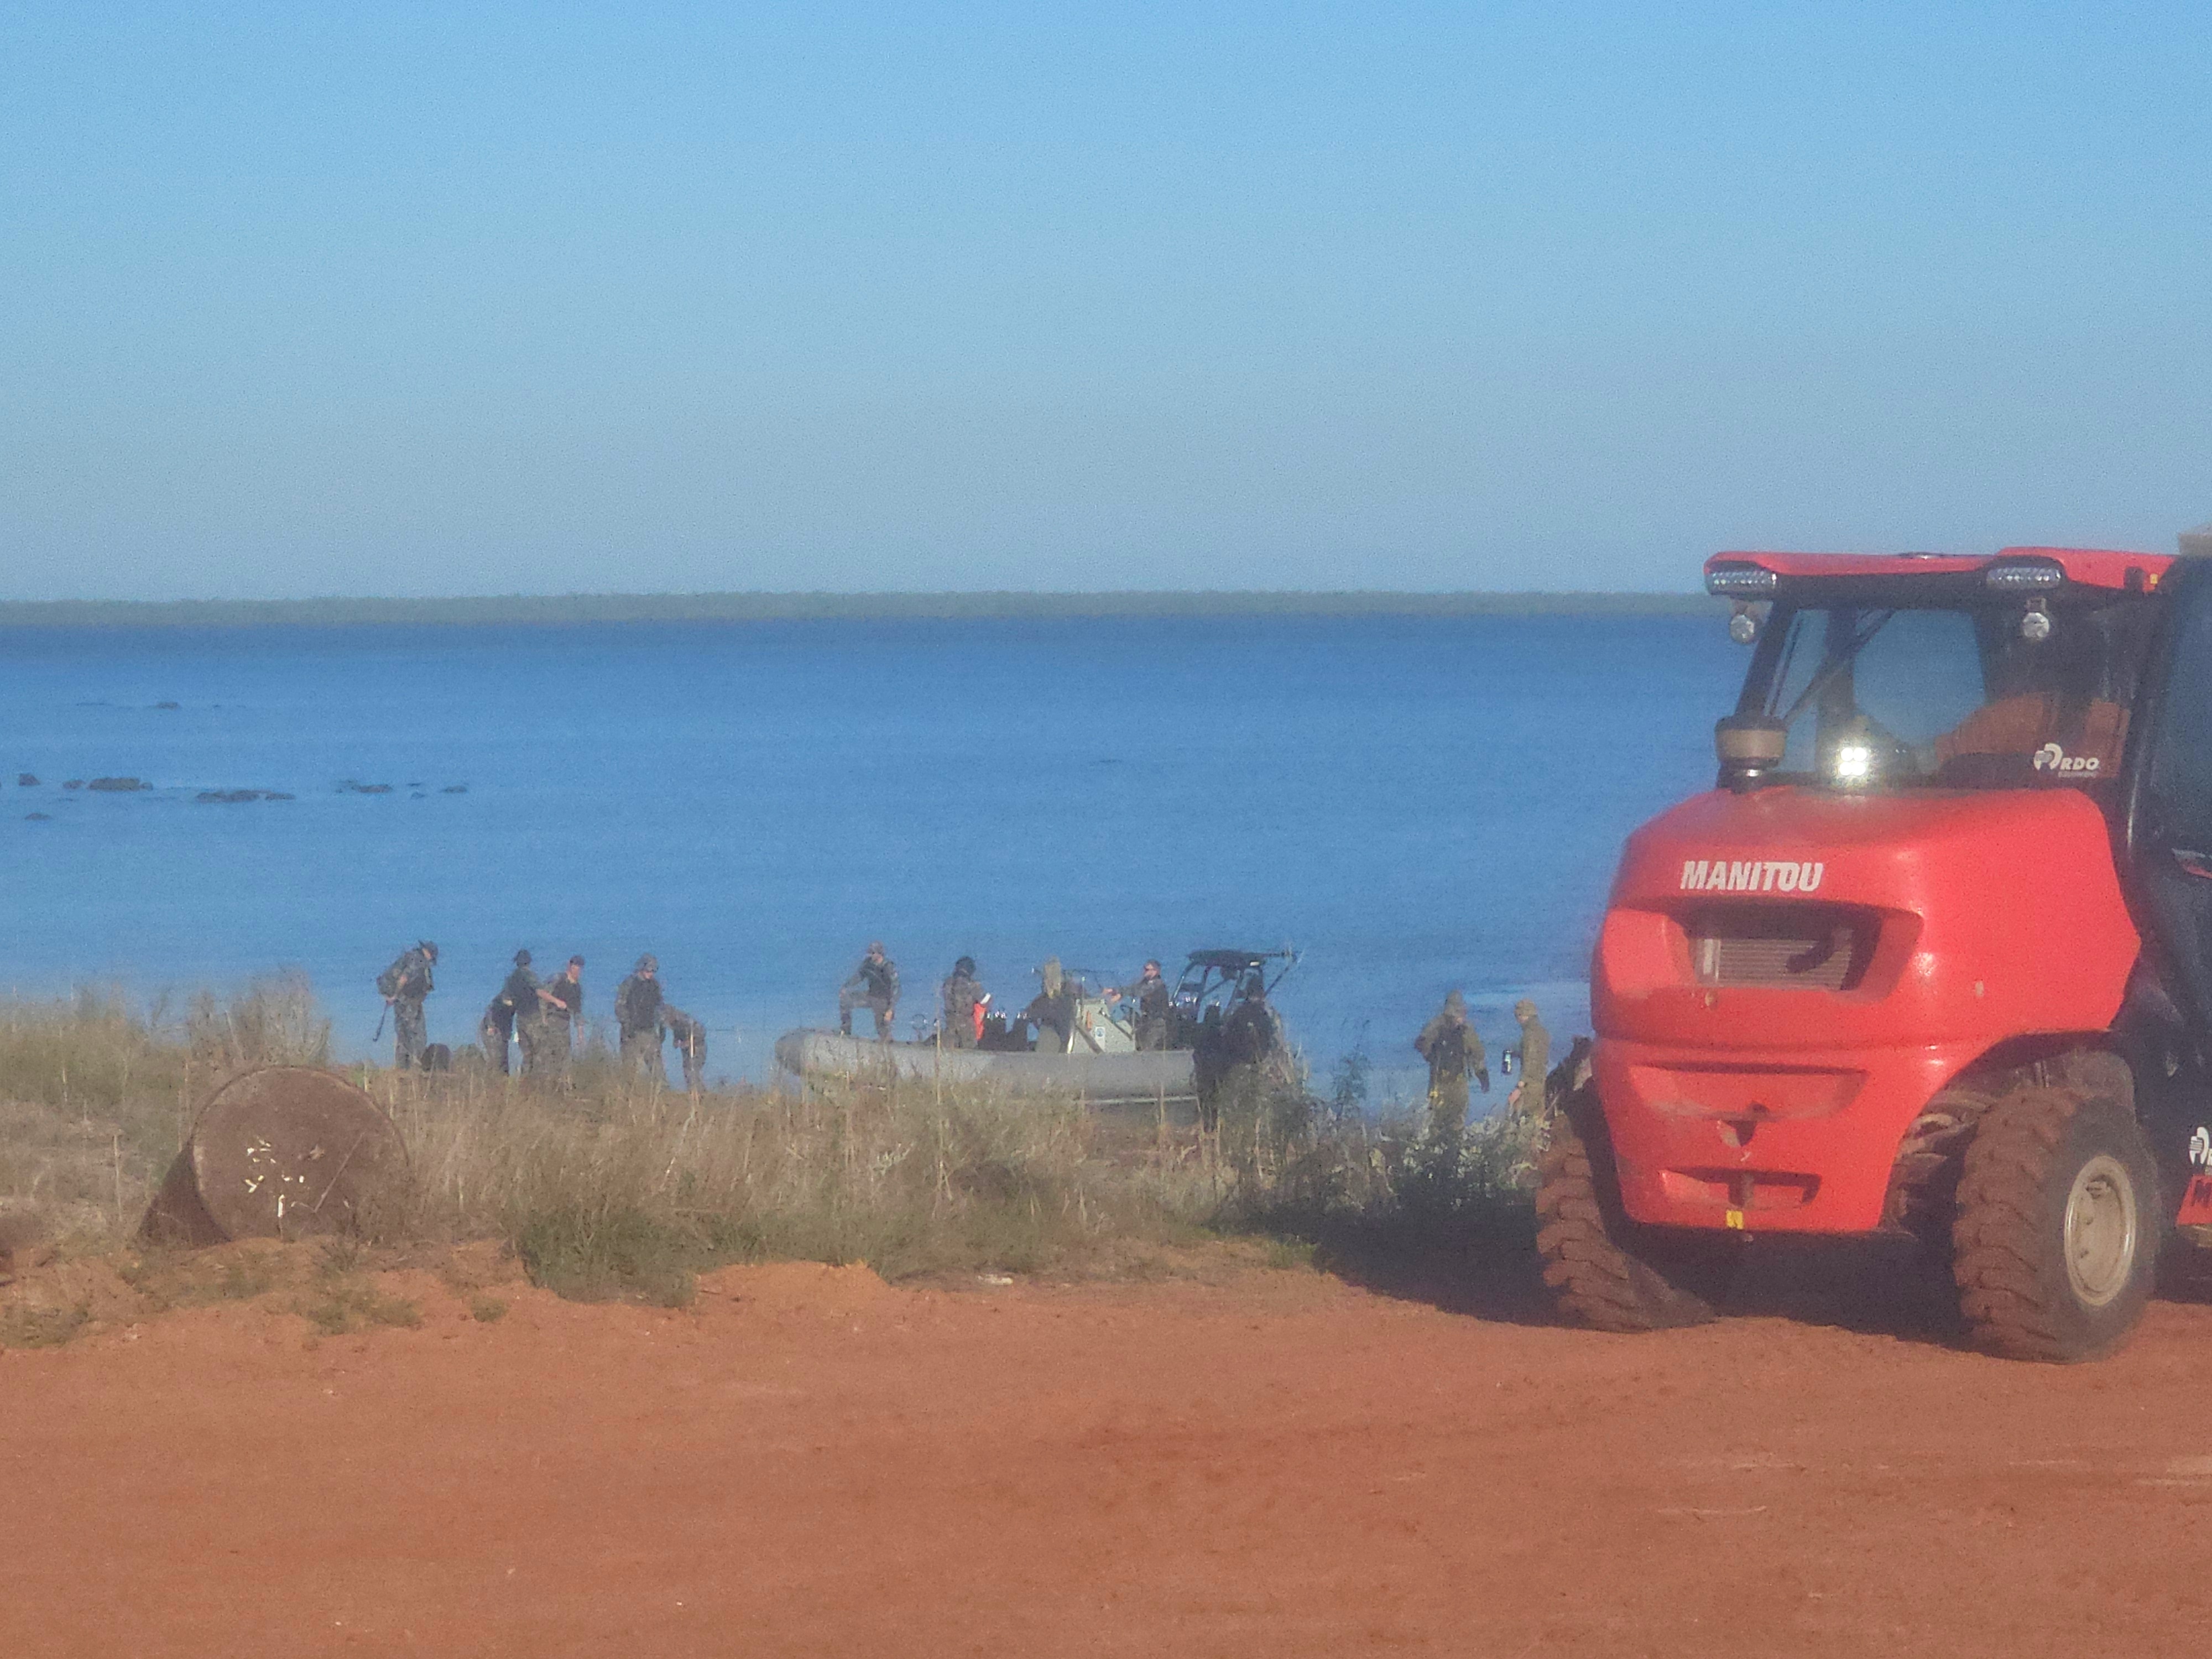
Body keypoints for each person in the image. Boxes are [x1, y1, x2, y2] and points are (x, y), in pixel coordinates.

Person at [1414, 990, 1489, 1142]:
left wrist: (1431, 1057)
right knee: (1452, 1123)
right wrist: (1482, 1074)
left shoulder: (1435, 1025)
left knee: (1438, 1122)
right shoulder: (1465, 1029)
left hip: (1441, 1081)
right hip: (1453, 1082)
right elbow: (1477, 1053)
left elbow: (1420, 1044)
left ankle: (1439, 1152)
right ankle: (1451, 1152)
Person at [375, 940, 438, 1070]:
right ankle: (413, 1064)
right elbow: (404, 978)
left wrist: (394, 996)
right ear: (428, 953)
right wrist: (395, 995)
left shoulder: (410, 957)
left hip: (403, 1001)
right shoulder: (418, 961)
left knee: (403, 1031)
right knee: (416, 1033)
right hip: (408, 1001)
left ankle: (403, 1066)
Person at [615, 954, 668, 1082]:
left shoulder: (655, 986)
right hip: (631, 1033)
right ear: (642, 968)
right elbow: (619, 1006)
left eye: (654, 971)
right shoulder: (629, 984)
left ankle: (661, 1095)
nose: (651, 973)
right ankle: (628, 1097)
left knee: (657, 1069)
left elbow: (659, 1006)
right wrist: (627, 1025)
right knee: (629, 1069)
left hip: (649, 1031)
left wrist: (662, 1025)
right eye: (649, 970)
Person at [839, 942, 899, 1041]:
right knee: (846, 1000)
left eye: (873, 953)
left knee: (882, 1028)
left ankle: (887, 1041)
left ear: (879, 953)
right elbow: (859, 977)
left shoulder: (888, 967)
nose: (870, 955)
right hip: (870, 995)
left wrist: (891, 1008)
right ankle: (846, 1030)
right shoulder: (868, 964)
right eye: (870, 953)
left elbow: (896, 987)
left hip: (883, 1000)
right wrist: (846, 987)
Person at [534, 956, 584, 1075]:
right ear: (570, 967)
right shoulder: (558, 979)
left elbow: (577, 1011)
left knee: (563, 1057)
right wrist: (555, 1002)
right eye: (575, 967)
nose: (577, 970)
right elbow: (541, 992)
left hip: (564, 1024)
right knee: (548, 1055)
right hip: (551, 1019)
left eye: (579, 968)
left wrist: (580, 1034)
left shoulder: (577, 988)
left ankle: (561, 1085)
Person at [1110, 959, 1173, 1051]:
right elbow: (1134, 988)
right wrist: (1115, 991)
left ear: (1155, 971)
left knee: (1147, 1050)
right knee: (1139, 1045)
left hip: (1156, 1024)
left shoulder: (1157, 985)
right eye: (1144, 969)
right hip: (1146, 1022)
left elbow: (1140, 991)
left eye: (1147, 969)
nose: (1144, 971)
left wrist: (1121, 994)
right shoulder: (1145, 983)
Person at [1507, 999, 1551, 1123]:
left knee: (1518, 1120)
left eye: (1518, 1016)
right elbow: (1538, 1057)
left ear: (1524, 1015)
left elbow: (1530, 1061)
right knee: (1537, 1122)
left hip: (1529, 1086)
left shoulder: (1529, 1035)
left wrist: (1519, 1087)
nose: (1518, 1020)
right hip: (1541, 1082)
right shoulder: (1543, 1032)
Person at [500, 950, 543, 1075]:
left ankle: (525, 1082)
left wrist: (517, 1004)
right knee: (538, 1052)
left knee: (526, 1054)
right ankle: (537, 1082)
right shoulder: (530, 976)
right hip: (534, 1018)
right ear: (529, 962)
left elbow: (506, 1000)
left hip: (520, 1019)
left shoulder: (511, 979)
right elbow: (540, 991)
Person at [1025, 957, 1076, 1054]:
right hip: (1055, 1048)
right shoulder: (1042, 1002)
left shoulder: (1064, 1002)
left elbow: (1067, 1029)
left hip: (1055, 1047)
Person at [940, 956, 988, 1050]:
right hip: (966, 1021)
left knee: (949, 1047)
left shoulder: (948, 982)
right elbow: (983, 1001)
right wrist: (989, 997)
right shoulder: (973, 985)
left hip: (950, 1020)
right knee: (969, 1048)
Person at [664, 1006, 706, 1092]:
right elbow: (677, 1035)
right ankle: (692, 1091)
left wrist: (689, 1042)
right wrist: (676, 1042)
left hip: (698, 1048)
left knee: (693, 1069)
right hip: (686, 1051)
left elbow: (701, 1033)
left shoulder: (686, 1021)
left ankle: (699, 1093)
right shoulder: (675, 1025)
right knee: (687, 1070)